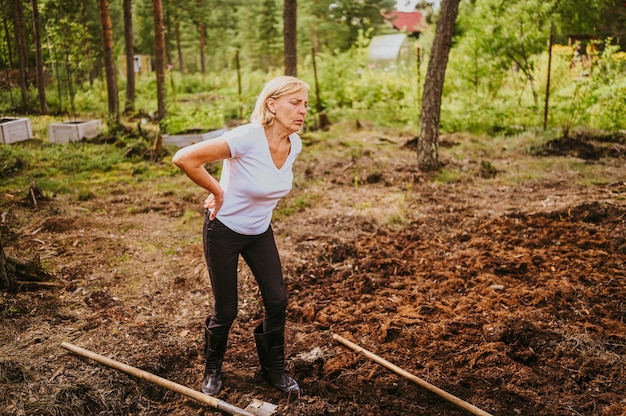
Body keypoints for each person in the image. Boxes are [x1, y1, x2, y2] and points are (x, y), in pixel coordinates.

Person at [172, 76, 309, 396]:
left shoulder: (295, 145)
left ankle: (273, 370)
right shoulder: (247, 137)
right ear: (272, 105)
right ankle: (212, 371)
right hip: (224, 230)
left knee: (277, 301)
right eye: (295, 102)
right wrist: (217, 191)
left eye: (305, 104)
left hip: (259, 232)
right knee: (227, 309)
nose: (302, 110)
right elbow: (184, 158)